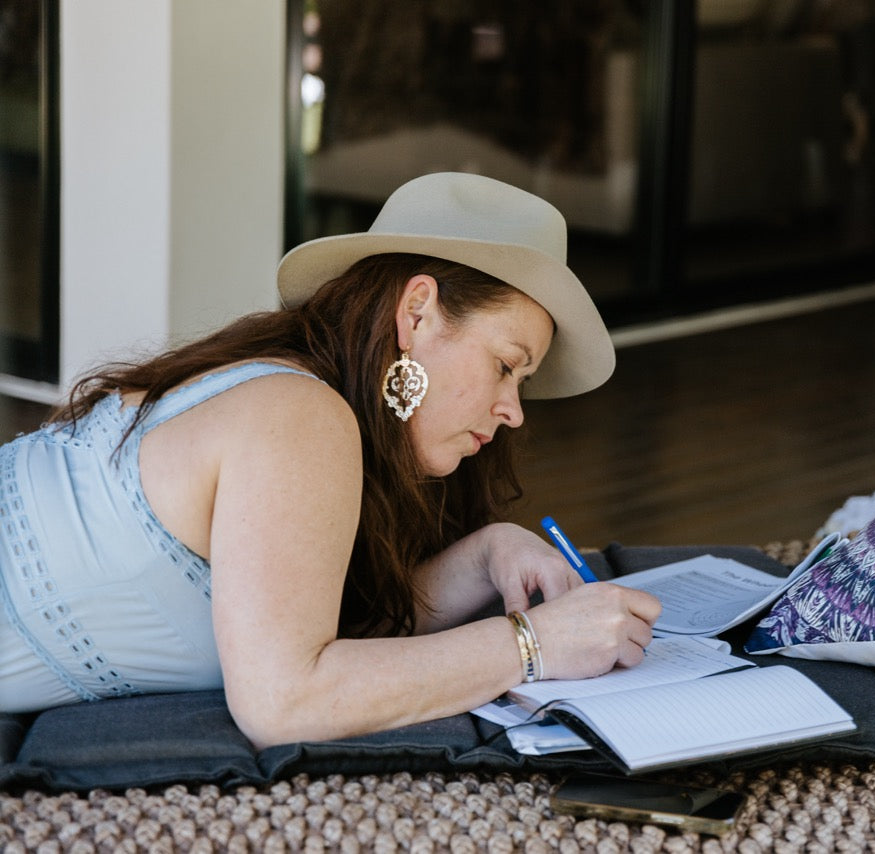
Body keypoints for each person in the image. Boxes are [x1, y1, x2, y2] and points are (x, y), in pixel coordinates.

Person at [0, 172, 661, 747]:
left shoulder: (299, 397)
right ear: (418, 312)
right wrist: (533, 646)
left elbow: (326, 627)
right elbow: (283, 701)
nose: (514, 409)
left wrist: (489, 554)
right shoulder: (300, 416)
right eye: (506, 366)